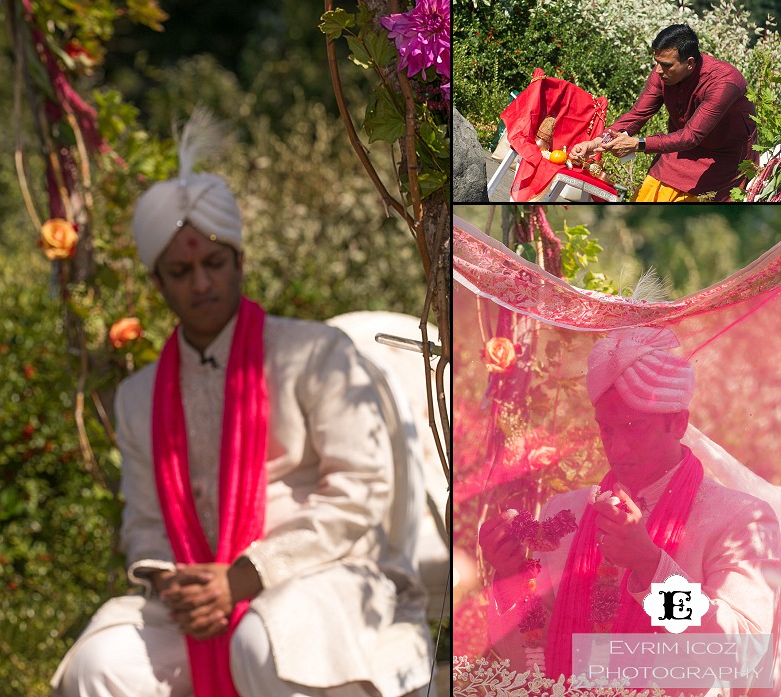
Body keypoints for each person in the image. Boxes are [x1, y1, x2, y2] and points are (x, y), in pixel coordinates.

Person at [51, 114, 433, 697]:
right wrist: (174, 582)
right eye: (181, 271)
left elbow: (360, 493)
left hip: (322, 575)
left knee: (263, 642)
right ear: (158, 284)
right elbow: (146, 526)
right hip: (198, 595)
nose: (201, 283)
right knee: (100, 666)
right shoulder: (139, 398)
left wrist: (248, 575)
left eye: (214, 263)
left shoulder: (312, 354)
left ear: (239, 262)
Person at [478, 327, 781, 687]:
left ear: (678, 423)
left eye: (634, 427)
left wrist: (651, 567)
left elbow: (741, 656)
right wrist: (511, 578)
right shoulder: (567, 511)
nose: (617, 449)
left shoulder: (741, 521)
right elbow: (536, 663)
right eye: (607, 430)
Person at [569, 24, 758, 202]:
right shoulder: (664, 73)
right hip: (676, 150)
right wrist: (596, 143)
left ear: (690, 63)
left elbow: (692, 136)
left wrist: (637, 144)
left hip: (723, 160)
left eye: (666, 64)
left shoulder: (724, 83)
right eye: (657, 62)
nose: (658, 70)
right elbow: (638, 114)